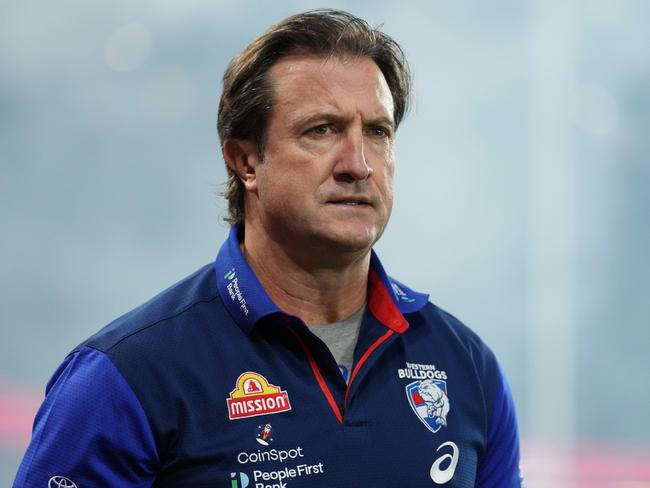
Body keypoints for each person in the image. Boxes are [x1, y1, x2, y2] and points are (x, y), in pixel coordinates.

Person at [14, 9, 522, 488]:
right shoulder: (122, 378)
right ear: (246, 161)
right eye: (321, 130)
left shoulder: (467, 368)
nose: (358, 164)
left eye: (377, 132)